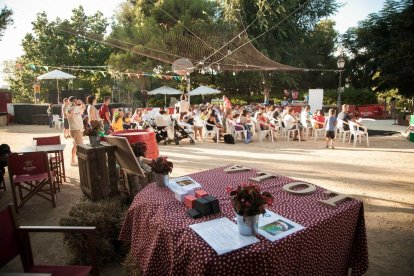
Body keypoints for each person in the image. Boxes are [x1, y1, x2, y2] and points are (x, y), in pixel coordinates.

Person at [66, 96, 85, 166]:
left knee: (75, 145)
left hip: (78, 129)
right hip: (75, 129)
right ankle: (81, 161)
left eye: (76, 101)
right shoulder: (68, 108)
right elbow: (70, 112)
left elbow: (83, 109)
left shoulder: (77, 107)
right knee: (81, 146)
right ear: (71, 102)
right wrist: (74, 105)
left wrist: (81, 103)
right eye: (74, 101)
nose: (76, 102)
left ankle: (72, 160)